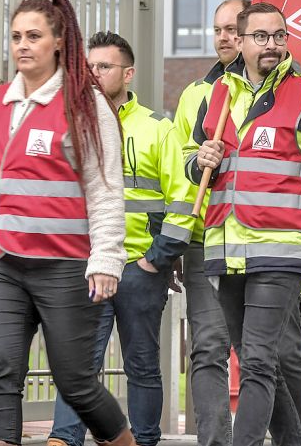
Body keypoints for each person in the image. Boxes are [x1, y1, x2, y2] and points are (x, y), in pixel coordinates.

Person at [0, 0, 135, 445]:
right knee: (2, 373)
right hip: (3, 263)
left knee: (75, 382)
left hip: (65, 267)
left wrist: (107, 260)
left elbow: (106, 192)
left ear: (57, 41)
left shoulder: (84, 105)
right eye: (16, 37)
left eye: (34, 35)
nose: (22, 45)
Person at [186, 1, 301, 446]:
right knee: (258, 359)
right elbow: (192, 162)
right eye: (261, 37)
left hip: (282, 250)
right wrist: (199, 160)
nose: (272, 45)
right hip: (225, 250)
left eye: (279, 36)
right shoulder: (218, 95)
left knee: (257, 362)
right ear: (239, 42)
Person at [47, 32, 195, 446]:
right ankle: (65, 438)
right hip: (86, 264)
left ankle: (144, 440)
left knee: (142, 364)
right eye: (89, 66)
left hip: (138, 267)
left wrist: (158, 258)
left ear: (128, 73)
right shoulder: (71, 123)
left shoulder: (157, 128)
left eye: (104, 67)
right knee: (77, 365)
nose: (93, 74)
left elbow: (182, 198)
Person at [172, 0, 249, 446]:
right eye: (218, 29)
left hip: (264, 243)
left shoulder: (280, 92)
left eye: (234, 29)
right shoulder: (196, 95)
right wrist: (195, 161)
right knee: (207, 349)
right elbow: (180, 163)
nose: (225, 36)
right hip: (206, 241)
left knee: (266, 354)